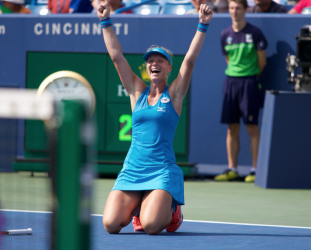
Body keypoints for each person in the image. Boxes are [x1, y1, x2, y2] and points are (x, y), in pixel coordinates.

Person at [97, 1, 212, 235]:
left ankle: (172, 210)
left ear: (169, 68)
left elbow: (189, 60)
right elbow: (117, 57)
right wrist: (105, 21)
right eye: (150, 60)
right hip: (132, 170)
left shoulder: (175, 94)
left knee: (150, 227)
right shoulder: (136, 92)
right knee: (110, 225)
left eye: (160, 60)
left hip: (161, 171)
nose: (154, 63)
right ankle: (138, 207)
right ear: (146, 67)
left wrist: (202, 25)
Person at [215, 0, 267, 183]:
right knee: (232, 128)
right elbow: (228, 60)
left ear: (245, 10)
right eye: (231, 8)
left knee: (252, 127)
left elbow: (262, 63)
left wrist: (248, 76)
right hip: (230, 83)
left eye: (238, 8)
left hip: (250, 83)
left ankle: (255, 170)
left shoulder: (255, 33)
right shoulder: (225, 34)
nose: (234, 11)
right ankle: (232, 169)